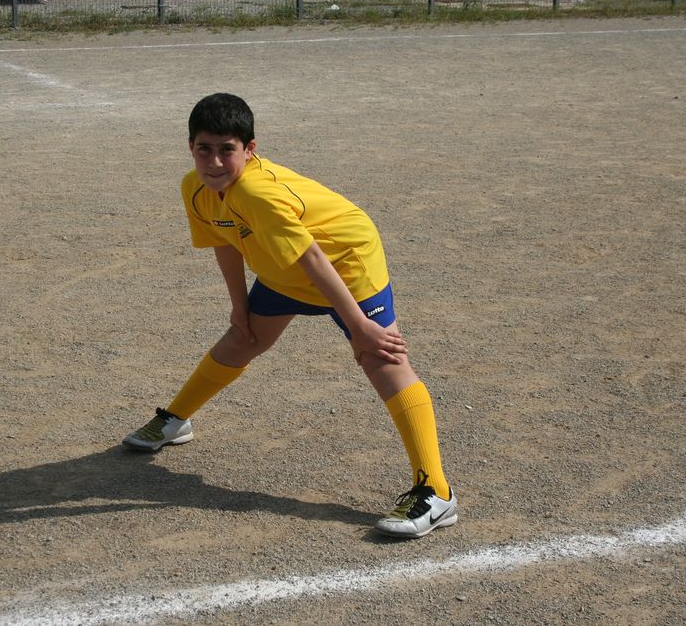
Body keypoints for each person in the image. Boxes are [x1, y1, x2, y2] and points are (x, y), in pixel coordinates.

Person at [123, 93, 456, 539]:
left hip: (346, 264)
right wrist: (239, 307)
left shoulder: (257, 192)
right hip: (286, 268)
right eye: (204, 149)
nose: (214, 161)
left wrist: (360, 328)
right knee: (242, 338)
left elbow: (314, 258)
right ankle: (174, 420)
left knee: (381, 360)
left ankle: (436, 492)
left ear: (250, 149)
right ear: (190, 148)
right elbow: (223, 240)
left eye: (227, 149)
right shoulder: (195, 188)